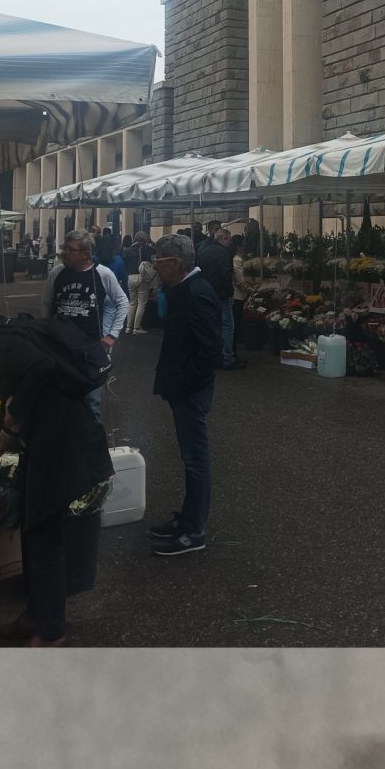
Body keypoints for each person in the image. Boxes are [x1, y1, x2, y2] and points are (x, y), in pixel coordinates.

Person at [0, 308, 110, 647]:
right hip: (52, 437)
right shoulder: (4, 335)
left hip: (61, 442)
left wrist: (14, 418)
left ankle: (51, 631)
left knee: (43, 534)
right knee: (32, 529)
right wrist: (7, 434)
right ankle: (36, 614)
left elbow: (40, 370)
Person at [149, 232, 225, 557]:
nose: (154, 266)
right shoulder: (184, 289)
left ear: (175, 263)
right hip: (183, 386)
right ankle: (189, 519)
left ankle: (194, 531)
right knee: (190, 458)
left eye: (158, 260)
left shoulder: (196, 293)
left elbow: (211, 350)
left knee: (196, 460)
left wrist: (182, 382)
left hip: (190, 390)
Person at [44, 232, 128, 419]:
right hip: (61, 348)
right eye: (63, 247)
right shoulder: (57, 273)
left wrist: (112, 336)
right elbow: (47, 305)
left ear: (85, 253)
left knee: (92, 403)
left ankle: (90, 444)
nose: (63, 252)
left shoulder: (103, 274)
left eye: (69, 249)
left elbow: (122, 302)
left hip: (91, 349)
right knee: (61, 400)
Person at [201, 221, 244, 368]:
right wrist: (230, 292)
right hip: (222, 294)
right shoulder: (223, 253)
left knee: (215, 326)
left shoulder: (205, 250)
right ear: (224, 239)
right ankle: (228, 358)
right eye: (230, 239)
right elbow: (225, 275)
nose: (231, 242)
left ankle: (216, 356)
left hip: (209, 293)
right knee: (227, 326)